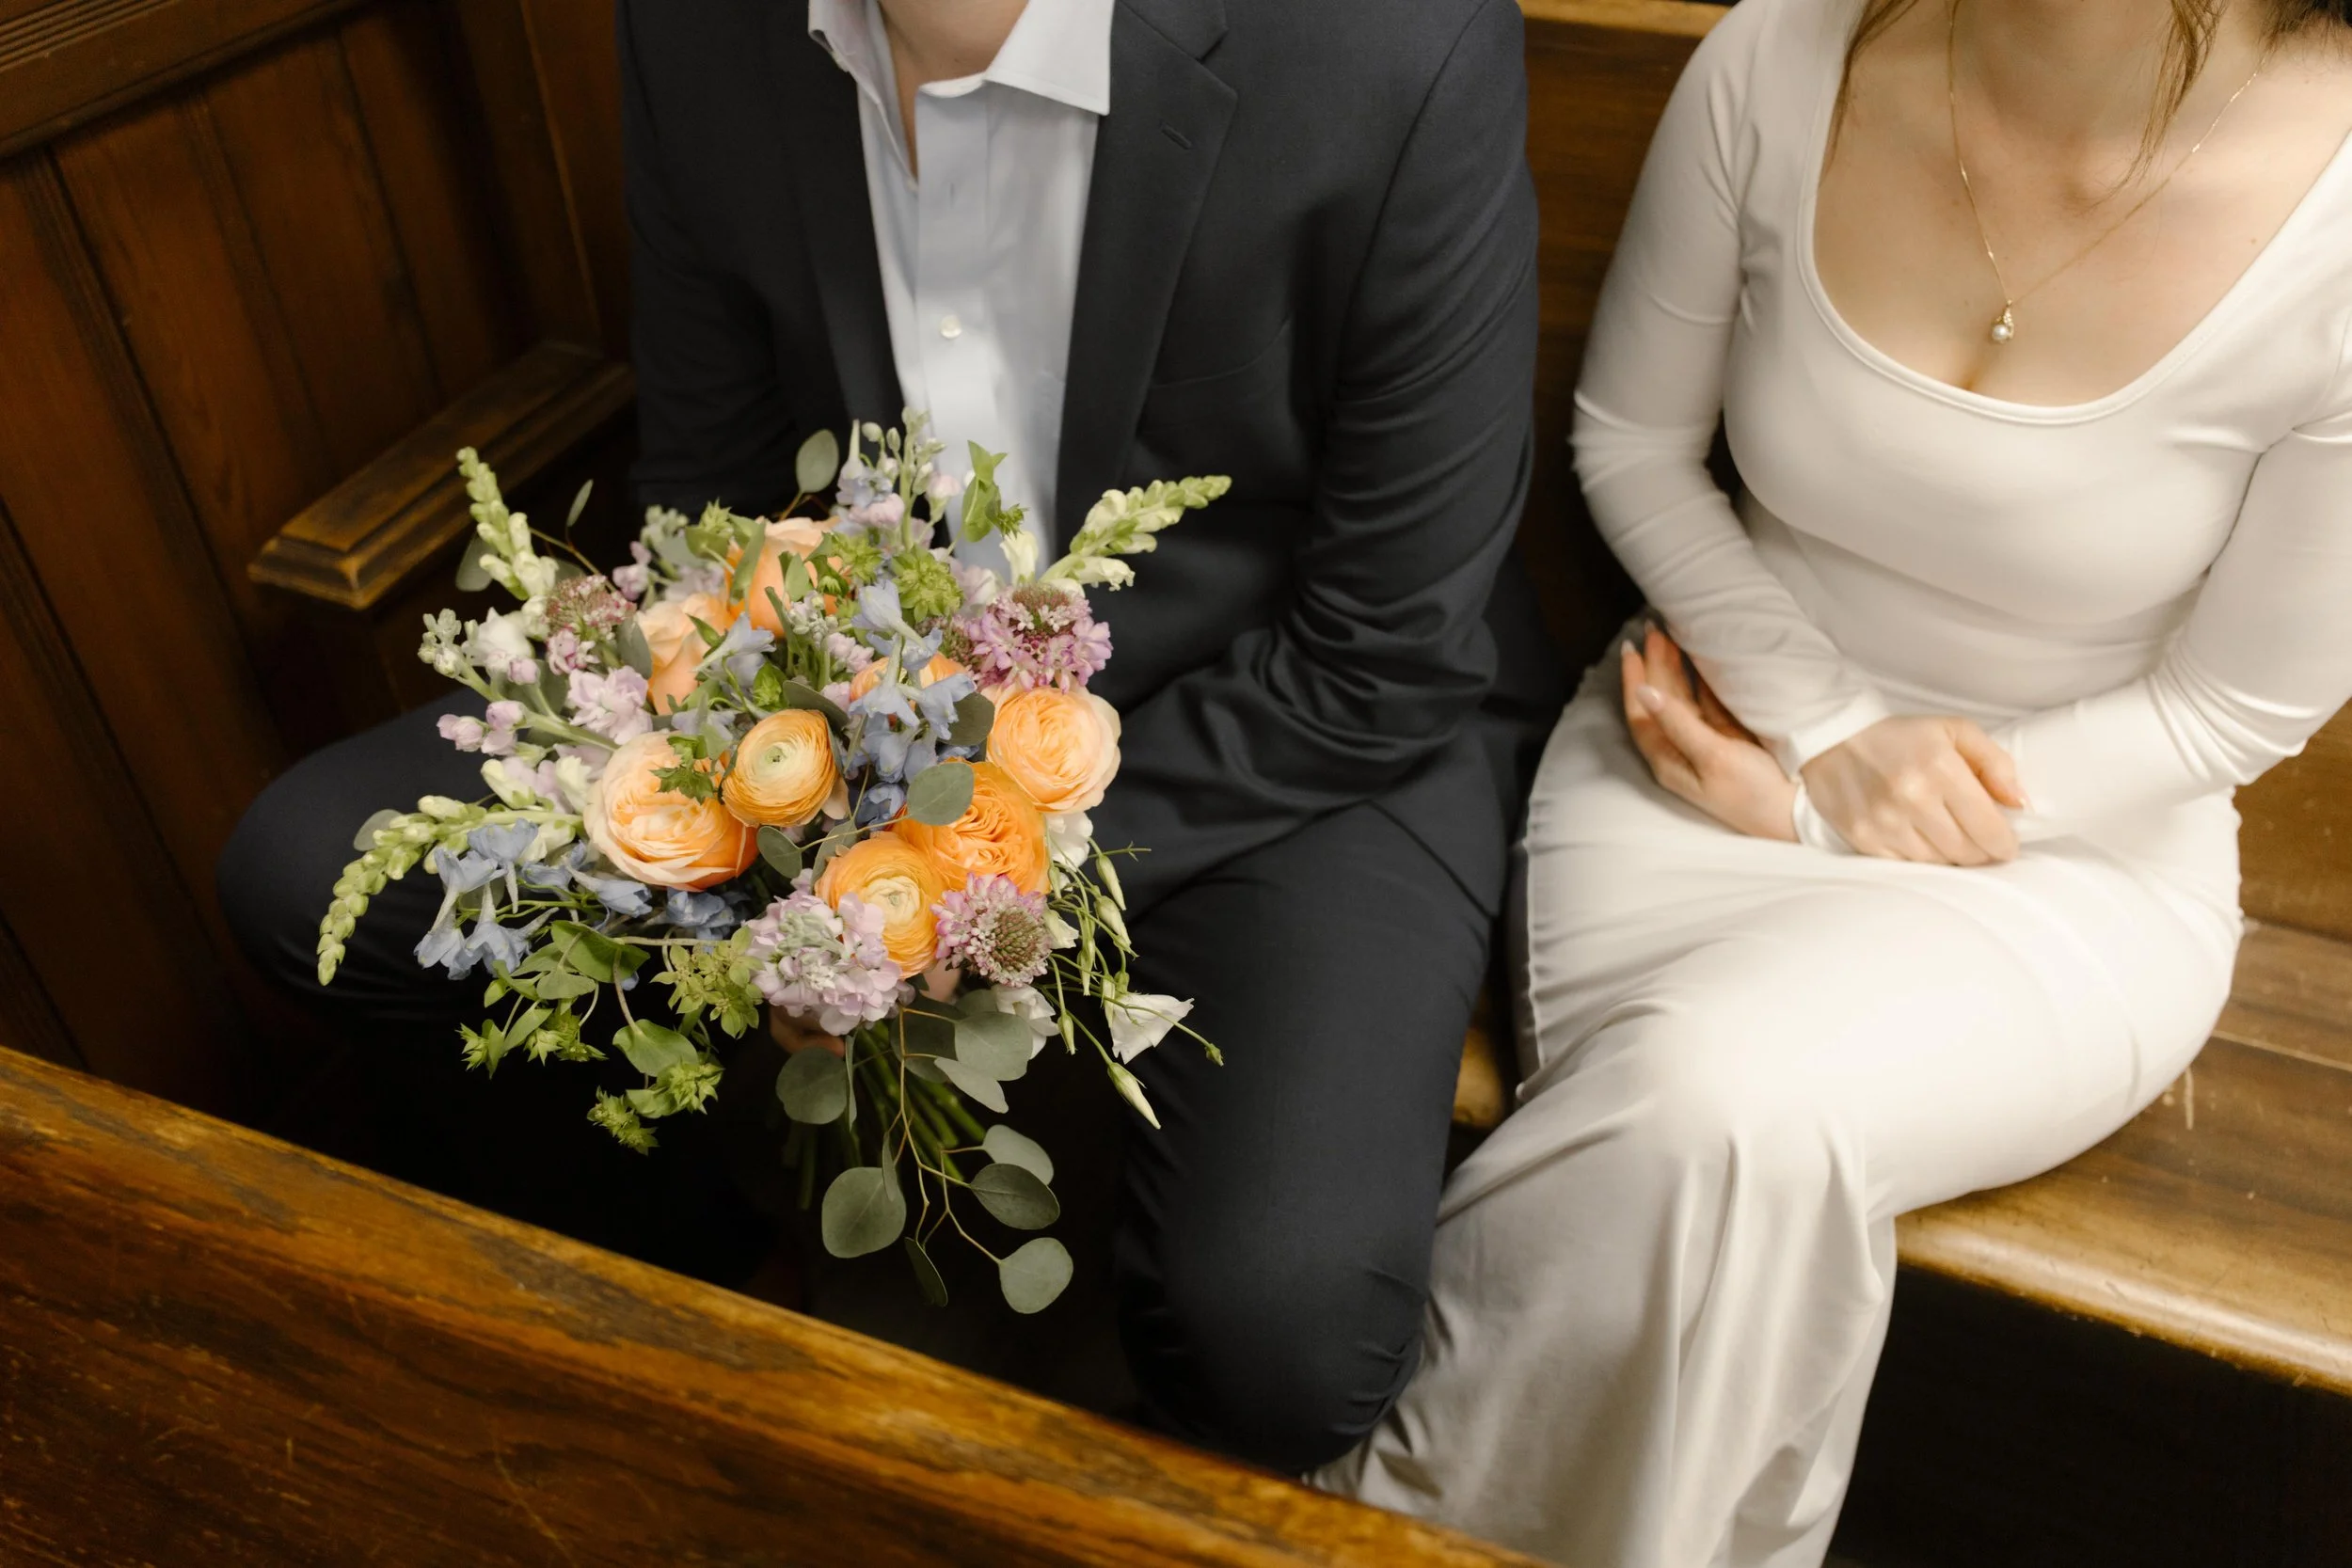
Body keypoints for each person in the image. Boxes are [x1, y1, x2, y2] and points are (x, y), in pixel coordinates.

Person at [217, 0, 1561, 1473]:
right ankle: (700, 1284)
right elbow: (715, 484)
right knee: (311, 880)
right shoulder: (700, 32)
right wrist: (770, 765)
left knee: (1284, 1330)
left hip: (1278, 726)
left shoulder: (1389, 43)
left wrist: (944, 893)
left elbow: (1382, 645)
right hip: (862, 701)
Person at [1319, 0, 2352, 1558]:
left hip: (2072, 861)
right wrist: (1818, 738)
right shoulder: (1783, 56)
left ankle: (1347, 1529)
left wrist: (1838, 811)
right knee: (1717, 1145)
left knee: (1726, 1106)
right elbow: (1632, 446)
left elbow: (2229, 708)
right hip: (1704, 737)